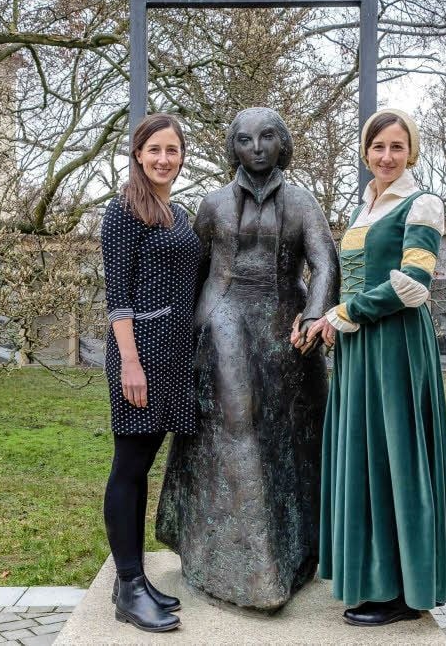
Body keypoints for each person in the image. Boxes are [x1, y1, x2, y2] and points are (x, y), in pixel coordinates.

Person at [156, 107, 339, 609]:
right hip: (225, 314)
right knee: (237, 422)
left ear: (282, 143)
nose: (256, 148)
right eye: (244, 139)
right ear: (232, 147)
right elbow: (193, 269)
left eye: (266, 137)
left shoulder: (301, 202)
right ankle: (245, 566)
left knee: (294, 430)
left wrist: (315, 315)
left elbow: (324, 262)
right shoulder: (213, 203)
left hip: (286, 320)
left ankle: (296, 551)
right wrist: (184, 333)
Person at [300, 108, 446, 626]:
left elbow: (414, 284)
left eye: (397, 146)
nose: (387, 156)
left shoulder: (422, 204)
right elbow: (355, 276)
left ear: (410, 151)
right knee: (367, 457)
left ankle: (402, 591)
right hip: (359, 347)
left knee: (397, 459)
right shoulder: (365, 205)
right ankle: (373, 579)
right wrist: (333, 317)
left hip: (395, 346)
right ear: (365, 152)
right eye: (378, 147)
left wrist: (345, 313)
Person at [100, 113, 200, 633]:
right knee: (129, 466)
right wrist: (130, 362)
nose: (164, 159)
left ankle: (132, 579)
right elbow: (117, 298)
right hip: (140, 354)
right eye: (154, 149)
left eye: (172, 150)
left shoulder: (178, 213)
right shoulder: (123, 211)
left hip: (176, 356)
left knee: (143, 468)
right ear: (138, 154)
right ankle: (129, 585)